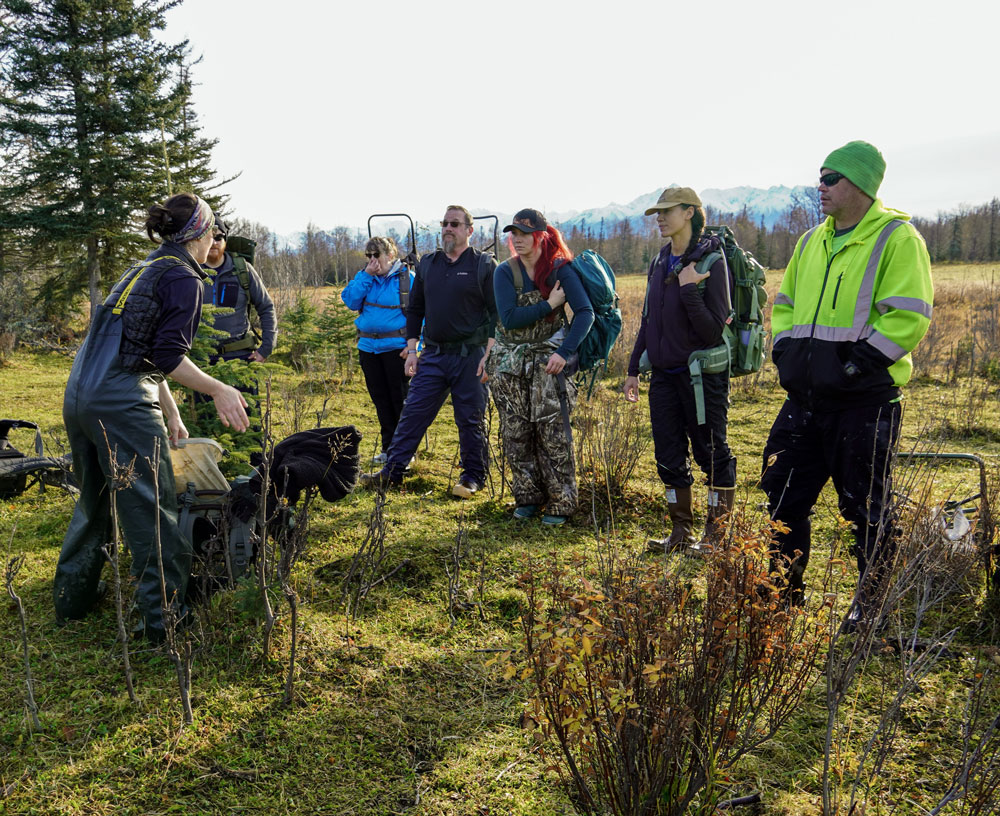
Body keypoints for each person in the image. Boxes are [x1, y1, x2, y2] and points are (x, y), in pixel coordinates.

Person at [54, 193, 250, 642]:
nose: (216, 239)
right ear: (201, 233)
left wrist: (170, 407)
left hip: (80, 394)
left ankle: (72, 600)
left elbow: (138, 345)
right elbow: (167, 355)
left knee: (93, 501)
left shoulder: (144, 267)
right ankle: (163, 624)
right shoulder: (184, 277)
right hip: (121, 401)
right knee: (151, 510)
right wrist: (218, 388)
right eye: (214, 230)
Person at [760, 141, 933, 624]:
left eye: (831, 178)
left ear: (861, 184)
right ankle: (781, 597)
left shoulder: (897, 238)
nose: (821, 186)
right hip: (805, 398)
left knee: (865, 507)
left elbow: (909, 315)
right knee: (782, 492)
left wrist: (854, 368)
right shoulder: (810, 242)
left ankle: (872, 610)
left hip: (864, 401)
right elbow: (785, 305)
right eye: (820, 176)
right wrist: (785, 354)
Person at [624, 187, 736, 555]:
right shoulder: (659, 260)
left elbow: (712, 331)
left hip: (701, 378)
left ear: (689, 212)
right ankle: (680, 533)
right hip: (663, 377)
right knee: (668, 456)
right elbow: (648, 319)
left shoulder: (711, 261)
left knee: (711, 453)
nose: (659, 218)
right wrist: (633, 368)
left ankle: (715, 537)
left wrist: (689, 290)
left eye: (667, 211)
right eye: (657, 212)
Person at [361, 205, 497, 498]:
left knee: (470, 419)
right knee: (413, 412)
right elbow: (415, 309)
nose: (448, 228)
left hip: (471, 355)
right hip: (434, 354)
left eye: (455, 224)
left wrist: (489, 356)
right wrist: (412, 350)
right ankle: (393, 470)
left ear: (469, 230)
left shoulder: (484, 265)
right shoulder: (429, 264)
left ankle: (472, 477)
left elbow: (496, 314)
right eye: (444, 223)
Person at [491, 209, 594, 526]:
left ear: (540, 236)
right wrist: (550, 305)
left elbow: (586, 313)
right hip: (510, 366)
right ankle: (527, 499)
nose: (517, 239)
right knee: (516, 434)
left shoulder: (560, 270)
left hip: (547, 365)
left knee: (554, 435)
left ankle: (561, 503)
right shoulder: (505, 272)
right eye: (514, 233)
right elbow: (509, 318)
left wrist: (564, 352)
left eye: (524, 233)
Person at [341, 236, 414, 464]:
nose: (373, 261)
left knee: (399, 400)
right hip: (369, 349)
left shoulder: (407, 279)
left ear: (390, 255)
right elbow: (351, 301)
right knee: (380, 400)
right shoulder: (365, 278)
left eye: (377, 255)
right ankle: (387, 448)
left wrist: (415, 347)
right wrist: (366, 275)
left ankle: (405, 452)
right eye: (369, 256)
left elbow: (423, 314)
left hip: (397, 349)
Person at [202, 215, 276, 364]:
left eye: (219, 238)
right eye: (208, 237)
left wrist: (266, 349)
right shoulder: (189, 272)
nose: (214, 243)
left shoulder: (242, 270)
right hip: (200, 359)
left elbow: (266, 307)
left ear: (225, 241)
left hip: (240, 358)